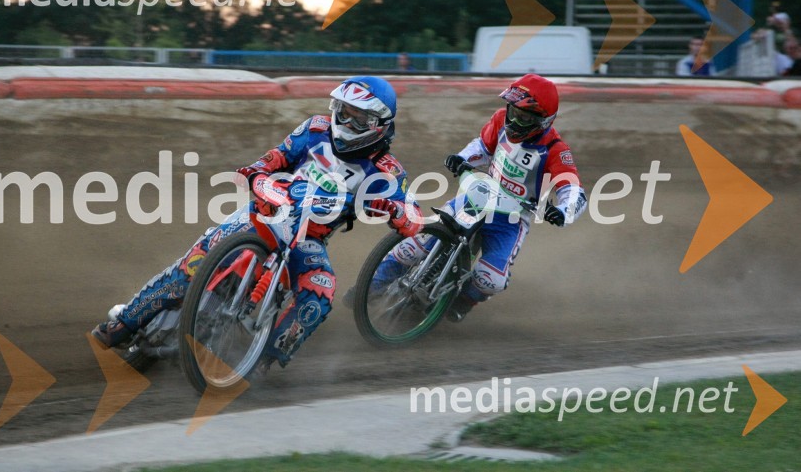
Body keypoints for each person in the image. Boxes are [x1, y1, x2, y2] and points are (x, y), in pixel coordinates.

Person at [92, 76, 422, 369]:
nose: (345, 120)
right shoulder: (316, 128)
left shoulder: (386, 169)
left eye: (357, 117)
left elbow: (413, 217)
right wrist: (257, 171)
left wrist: (395, 211)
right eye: (343, 111)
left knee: (319, 293)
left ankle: (262, 358)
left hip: (308, 239)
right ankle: (124, 322)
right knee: (194, 262)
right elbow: (277, 156)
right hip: (268, 212)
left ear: (378, 123)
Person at [349, 74, 587, 322]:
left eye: (524, 117)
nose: (514, 120)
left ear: (543, 120)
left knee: (491, 279)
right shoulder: (500, 119)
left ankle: (463, 300)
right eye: (513, 112)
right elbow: (482, 147)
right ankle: (372, 286)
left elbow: (573, 190)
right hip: (478, 197)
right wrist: (462, 158)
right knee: (414, 246)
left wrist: (562, 211)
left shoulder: (555, 150)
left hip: (511, 220)